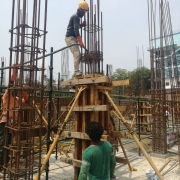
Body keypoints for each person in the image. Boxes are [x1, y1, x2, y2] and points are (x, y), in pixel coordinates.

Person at [0, 65, 28, 167]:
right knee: (2, 144)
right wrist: (14, 72)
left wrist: (25, 94)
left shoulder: (16, 99)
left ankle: (4, 163)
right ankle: (1, 163)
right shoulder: (6, 97)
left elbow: (25, 101)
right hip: (5, 124)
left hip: (12, 125)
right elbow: (10, 85)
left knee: (7, 145)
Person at [65, 0, 89, 76]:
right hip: (70, 38)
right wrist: (80, 41)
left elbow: (75, 27)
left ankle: (77, 71)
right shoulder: (76, 17)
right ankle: (76, 71)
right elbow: (75, 30)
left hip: (72, 38)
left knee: (78, 54)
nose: (83, 14)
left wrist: (81, 25)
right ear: (80, 9)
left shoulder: (76, 17)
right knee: (77, 54)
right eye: (83, 12)